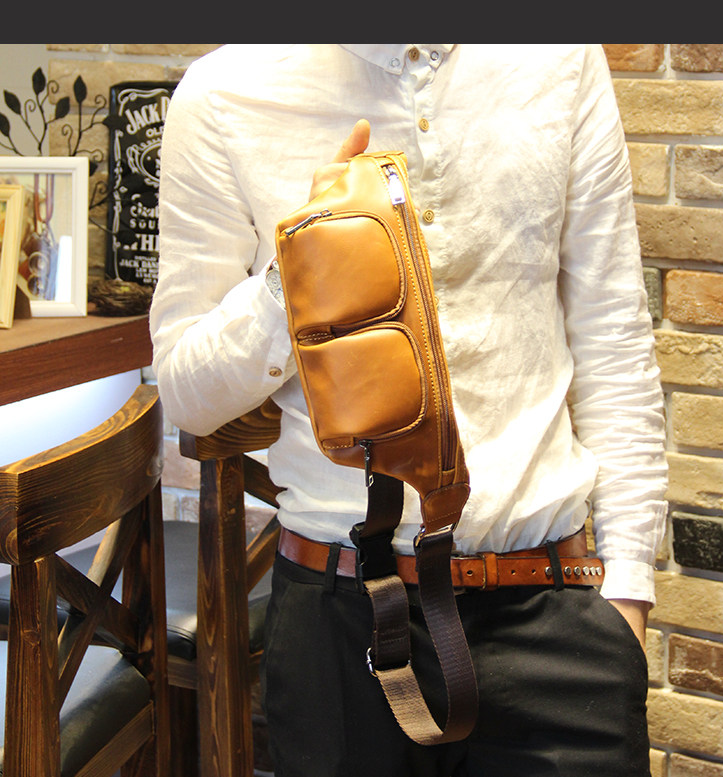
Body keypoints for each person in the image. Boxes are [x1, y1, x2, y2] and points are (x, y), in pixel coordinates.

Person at [150, 44, 668, 777]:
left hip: (552, 611)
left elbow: (614, 341)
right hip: (339, 623)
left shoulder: (559, 57)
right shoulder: (224, 92)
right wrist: (296, 275)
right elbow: (188, 391)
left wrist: (627, 600)